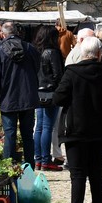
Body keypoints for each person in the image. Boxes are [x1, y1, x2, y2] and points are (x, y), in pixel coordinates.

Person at [53, 37, 102, 203]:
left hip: (75, 130)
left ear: (81, 52)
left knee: (77, 175)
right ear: (99, 54)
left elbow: (58, 98)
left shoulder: (71, 72)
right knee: (97, 174)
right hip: (100, 130)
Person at [0, 21, 41, 165]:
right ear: (17, 33)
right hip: (28, 97)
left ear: (3, 35)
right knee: (28, 135)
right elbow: (37, 69)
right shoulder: (30, 48)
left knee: (10, 135)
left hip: (7, 98)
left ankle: (8, 168)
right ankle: (29, 167)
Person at [33, 25, 64, 171]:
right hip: (50, 92)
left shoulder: (36, 51)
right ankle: (45, 160)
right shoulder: (52, 52)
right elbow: (57, 74)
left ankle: (38, 159)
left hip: (37, 91)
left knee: (39, 127)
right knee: (46, 127)